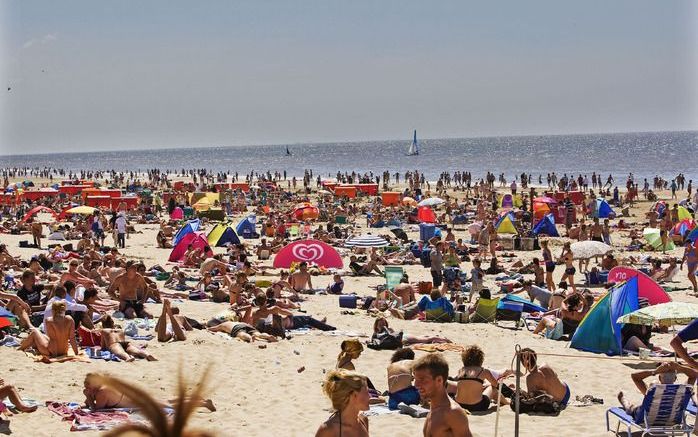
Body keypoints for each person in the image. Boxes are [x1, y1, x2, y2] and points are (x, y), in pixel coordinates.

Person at [82, 372, 215, 411]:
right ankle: (197, 398)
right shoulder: (103, 386)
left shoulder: (101, 393)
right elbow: (89, 404)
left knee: (171, 406)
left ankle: (203, 404)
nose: (86, 389)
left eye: (87, 386)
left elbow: (96, 409)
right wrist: (88, 398)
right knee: (167, 401)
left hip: (140, 403)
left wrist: (88, 398)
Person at [413, 353, 472, 437]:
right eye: (415, 379)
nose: (416, 385)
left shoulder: (453, 413)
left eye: (422, 379)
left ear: (439, 380)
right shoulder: (434, 407)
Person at [617, 362, 697, 422]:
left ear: (659, 377)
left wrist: (655, 371)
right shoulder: (683, 390)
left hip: (647, 418)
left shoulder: (653, 390)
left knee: (632, 408)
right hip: (672, 419)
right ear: (675, 378)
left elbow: (635, 376)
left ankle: (625, 403)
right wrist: (680, 367)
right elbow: (694, 375)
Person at [448, 345, 512, 412]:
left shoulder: (461, 370)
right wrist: (487, 385)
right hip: (477, 406)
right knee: (493, 389)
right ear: (480, 359)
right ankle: (507, 403)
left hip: (459, 405)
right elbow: (495, 384)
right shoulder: (483, 371)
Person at [315, 369, 370, 437]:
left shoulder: (363, 420)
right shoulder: (328, 430)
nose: (369, 396)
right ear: (354, 395)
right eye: (367, 392)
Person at [207, 319, 277, 343]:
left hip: (236, 328)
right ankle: (268, 336)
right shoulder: (235, 321)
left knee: (241, 334)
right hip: (246, 325)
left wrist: (207, 329)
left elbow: (213, 329)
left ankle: (250, 338)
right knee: (258, 334)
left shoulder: (223, 324)